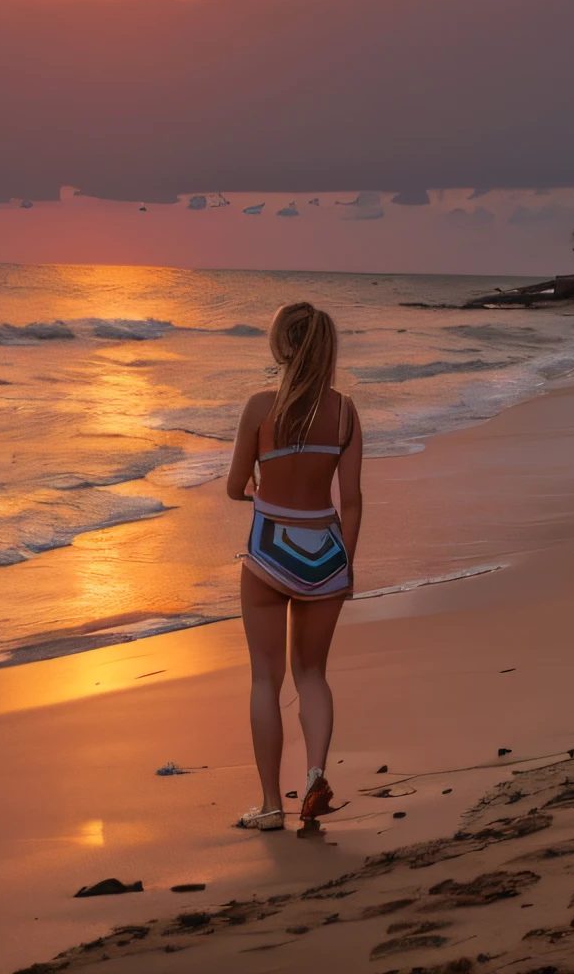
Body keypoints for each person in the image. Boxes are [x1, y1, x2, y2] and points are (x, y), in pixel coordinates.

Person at [225, 301, 363, 830]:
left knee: (266, 678)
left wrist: (257, 490)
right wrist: (345, 568)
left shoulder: (261, 407)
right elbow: (351, 499)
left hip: (270, 552)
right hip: (326, 554)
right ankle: (314, 777)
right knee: (312, 676)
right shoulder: (346, 412)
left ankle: (268, 806)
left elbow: (235, 487)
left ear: (282, 345)